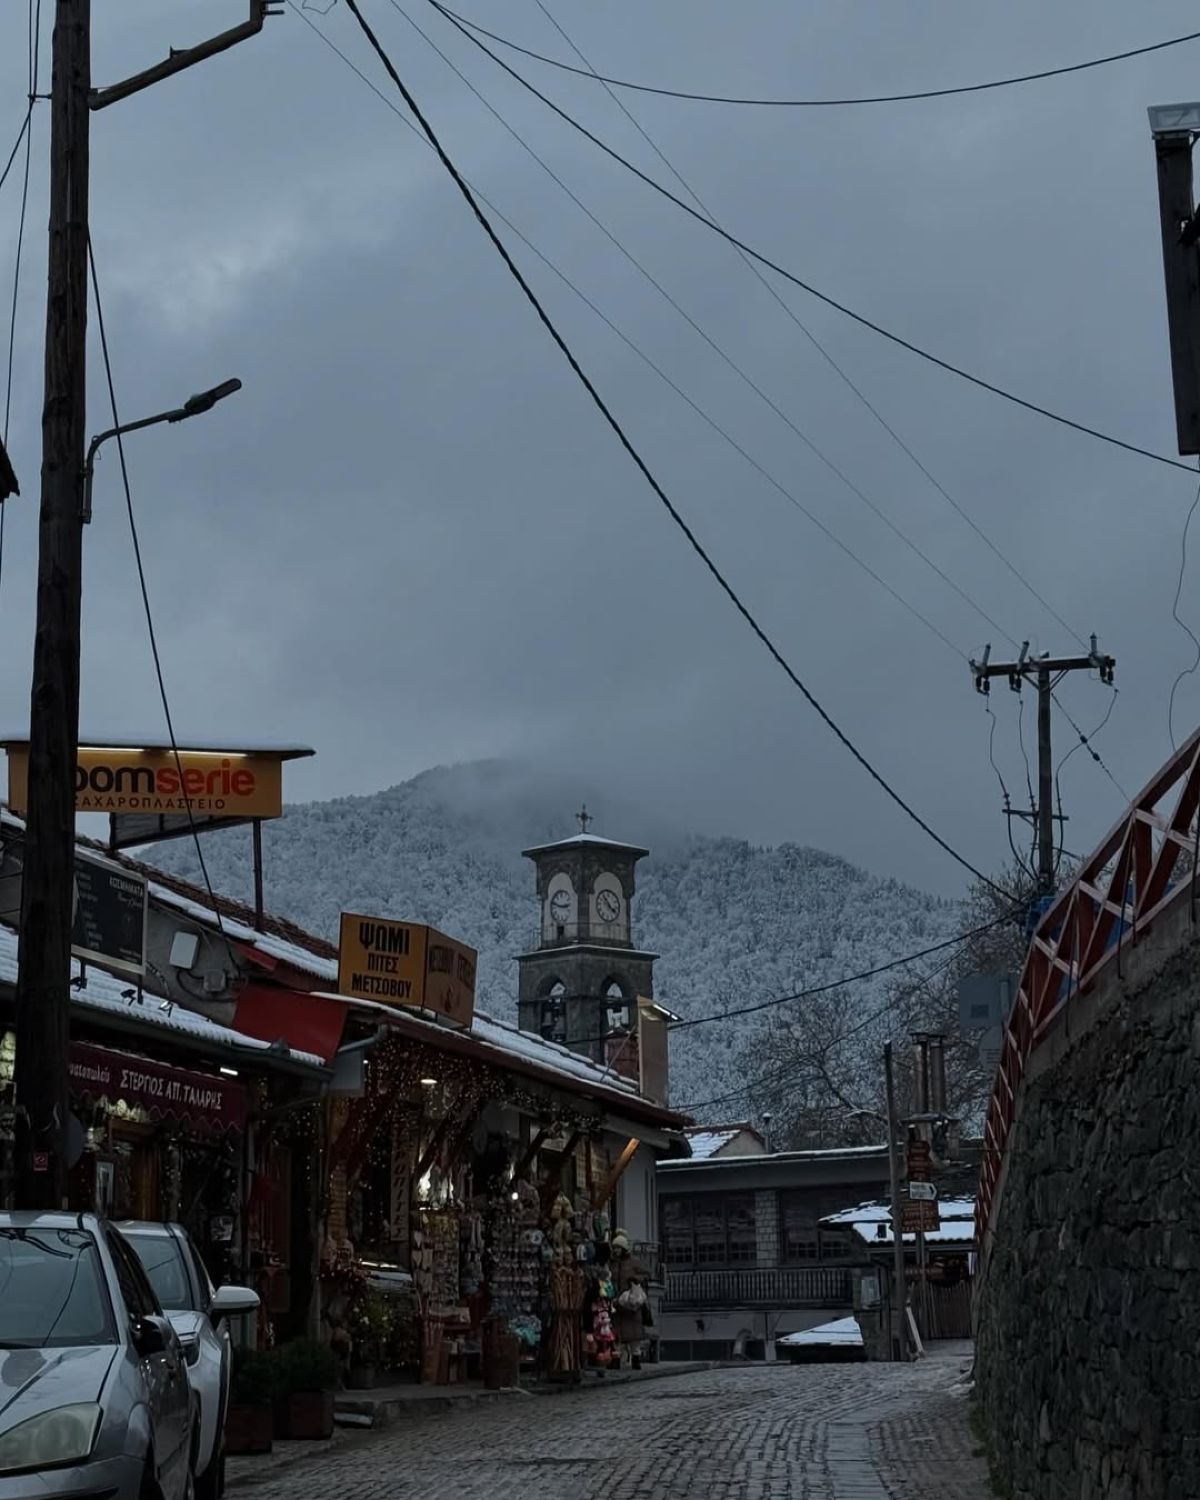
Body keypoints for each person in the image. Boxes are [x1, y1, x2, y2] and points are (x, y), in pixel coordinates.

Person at [611, 1228, 648, 1370]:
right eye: (614, 1248)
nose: (616, 1251)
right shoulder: (613, 1263)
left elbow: (646, 1274)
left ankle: (636, 1358)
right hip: (617, 1302)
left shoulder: (634, 1262)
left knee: (634, 1333)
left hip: (631, 1302)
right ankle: (616, 1359)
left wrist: (636, 1279)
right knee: (616, 1332)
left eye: (618, 1248)